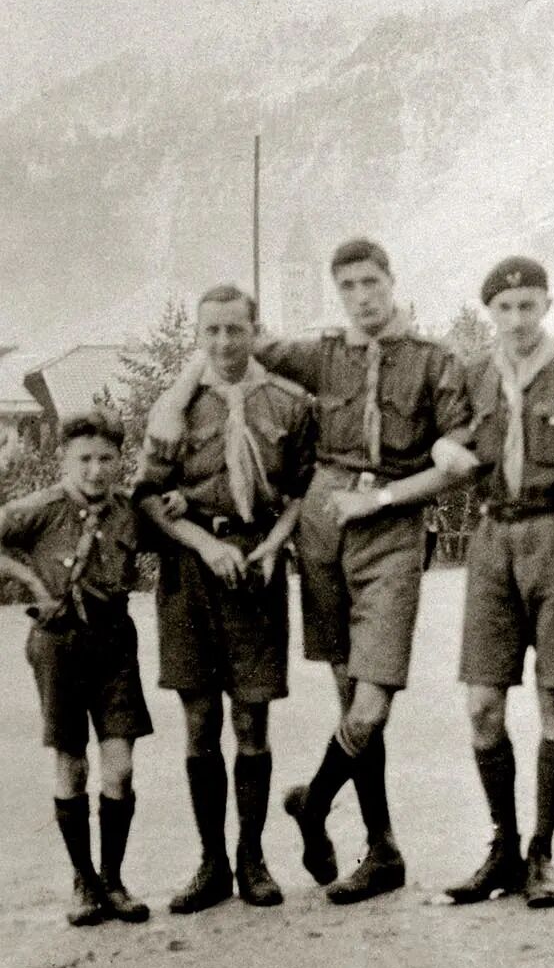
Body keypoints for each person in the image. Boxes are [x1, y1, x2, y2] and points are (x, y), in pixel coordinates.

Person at [148, 239, 473, 905]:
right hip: (325, 528)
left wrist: (388, 494)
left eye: (371, 282)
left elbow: (459, 452)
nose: (361, 296)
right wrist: (175, 398)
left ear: (392, 281)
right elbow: (229, 346)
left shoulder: (435, 360)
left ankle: (315, 801)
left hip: (390, 521)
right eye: (347, 285)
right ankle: (381, 849)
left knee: (372, 700)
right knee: (349, 691)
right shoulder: (318, 354)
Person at [442, 256, 554, 910]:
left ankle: (542, 851)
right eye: (504, 308)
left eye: (528, 306)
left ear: (547, 305)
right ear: (490, 312)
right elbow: (448, 444)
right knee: (482, 705)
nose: (516, 319)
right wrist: (443, 451)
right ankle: (504, 846)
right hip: (493, 538)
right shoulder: (471, 377)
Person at [135, 284, 317, 913]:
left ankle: (252, 859)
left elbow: (302, 490)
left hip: (255, 567)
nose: (223, 342)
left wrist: (273, 547)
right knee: (199, 723)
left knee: (251, 720)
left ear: (254, 331)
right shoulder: (174, 409)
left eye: (235, 329)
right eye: (210, 330)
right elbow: (147, 495)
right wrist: (204, 545)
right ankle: (211, 863)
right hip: (191, 567)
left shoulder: (288, 402)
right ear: (198, 335)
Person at [0, 409, 153, 926]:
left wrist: (175, 503)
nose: (95, 470)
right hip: (58, 645)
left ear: (118, 460)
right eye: (84, 459)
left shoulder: (128, 511)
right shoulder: (41, 509)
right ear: (65, 459)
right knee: (72, 763)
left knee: (120, 767)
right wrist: (31, 582)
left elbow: (167, 530)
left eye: (106, 458)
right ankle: (83, 882)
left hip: (115, 644)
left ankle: (113, 879)